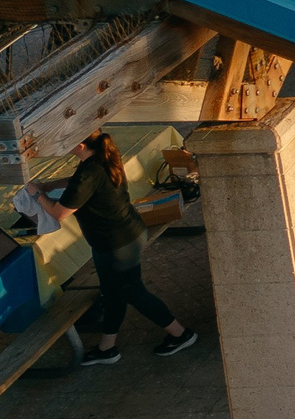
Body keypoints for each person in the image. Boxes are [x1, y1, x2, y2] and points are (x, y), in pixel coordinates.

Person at [26, 132, 199, 364]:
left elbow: (59, 212)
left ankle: (180, 334)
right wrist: (48, 185)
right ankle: (107, 348)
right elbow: (77, 180)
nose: (61, 146)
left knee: (133, 291)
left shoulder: (90, 171)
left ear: (79, 145)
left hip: (116, 244)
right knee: (113, 290)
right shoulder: (101, 157)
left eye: (65, 142)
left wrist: (36, 193)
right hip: (126, 234)